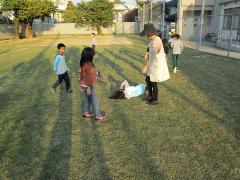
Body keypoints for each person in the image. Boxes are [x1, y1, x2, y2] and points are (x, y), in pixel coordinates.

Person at [140, 24, 170, 105]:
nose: (146, 37)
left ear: (151, 34)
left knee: (153, 82)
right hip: (152, 65)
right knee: (148, 80)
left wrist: (146, 66)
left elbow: (154, 55)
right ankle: (150, 96)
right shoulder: (152, 41)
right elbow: (149, 52)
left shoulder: (157, 41)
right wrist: (146, 60)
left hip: (156, 66)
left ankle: (155, 100)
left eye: (147, 35)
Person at [80, 47, 108, 121]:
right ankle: (98, 116)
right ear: (89, 55)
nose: (94, 55)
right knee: (94, 100)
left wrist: (98, 73)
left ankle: (85, 113)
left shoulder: (86, 63)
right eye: (93, 54)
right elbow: (89, 77)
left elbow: (90, 73)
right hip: (88, 85)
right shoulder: (88, 65)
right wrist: (88, 87)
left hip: (84, 85)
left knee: (88, 100)